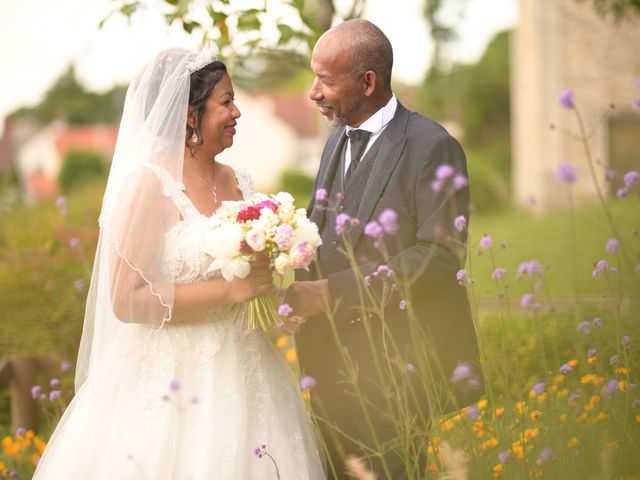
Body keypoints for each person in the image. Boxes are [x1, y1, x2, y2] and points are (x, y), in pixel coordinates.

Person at [33, 45, 325, 479]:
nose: (237, 112)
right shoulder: (151, 184)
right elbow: (126, 300)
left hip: (248, 370)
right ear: (190, 115)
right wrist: (230, 291)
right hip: (173, 380)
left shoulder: (237, 180)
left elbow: (250, 280)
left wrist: (272, 302)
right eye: (226, 101)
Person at [285, 19, 483, 478]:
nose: (313, 92)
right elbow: (326, 239)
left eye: (326, 81)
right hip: (329, 366)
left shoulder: (434, 146)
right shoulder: (335, 141)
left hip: (399, 372)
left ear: (368, 82)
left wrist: (329, 294)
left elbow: (440, 258)